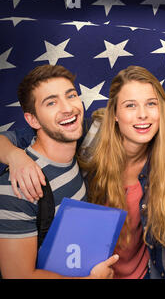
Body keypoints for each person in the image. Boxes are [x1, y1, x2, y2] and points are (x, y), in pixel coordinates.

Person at [0, 66, 165, 279]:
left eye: (151, 104)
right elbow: (17, 274)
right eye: (130, 105)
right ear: (115, 114)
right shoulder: (89, 139)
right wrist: (13, 155)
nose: (142, 114)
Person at [0, 65, 118, 278]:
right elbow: (19, 275)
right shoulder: (17, 186)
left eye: (71, 95)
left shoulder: (78, 148)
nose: (68, 108)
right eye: (51, 102)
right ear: (33, 120)